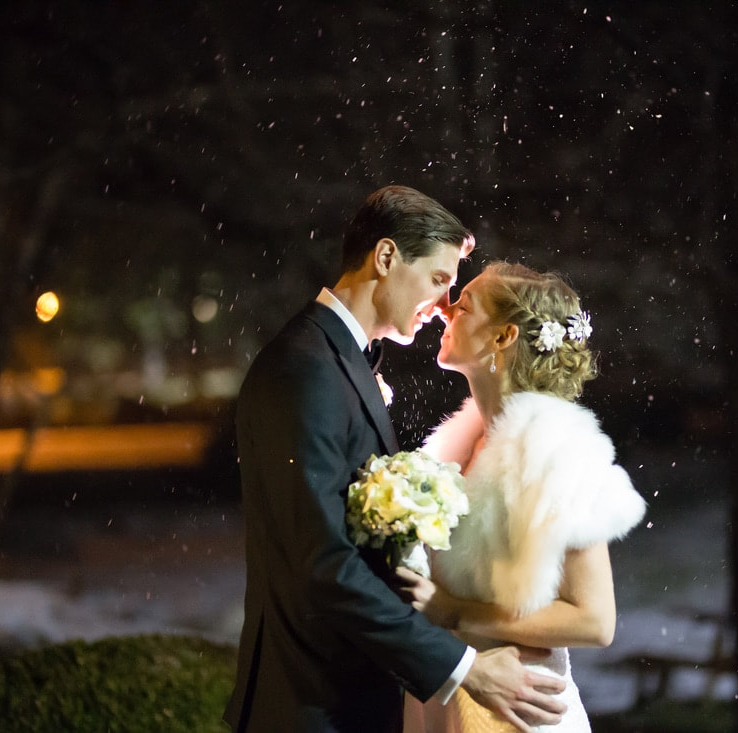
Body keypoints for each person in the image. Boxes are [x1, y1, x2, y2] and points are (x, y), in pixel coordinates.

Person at [224, 187, 568, 733]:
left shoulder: (338, 363)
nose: (441, 305)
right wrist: (463, 669)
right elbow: (325, 565)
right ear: (386, 258)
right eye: (437, 280)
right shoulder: (308, 369)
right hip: (312, 705)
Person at [399, 261, 647, 732]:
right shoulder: (464, 446)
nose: (444, 311)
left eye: (464, 304)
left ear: (502, 337)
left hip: (518, 710)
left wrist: (457, 613)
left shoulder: (553, 451)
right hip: (448, 701)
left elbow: (595, 620)